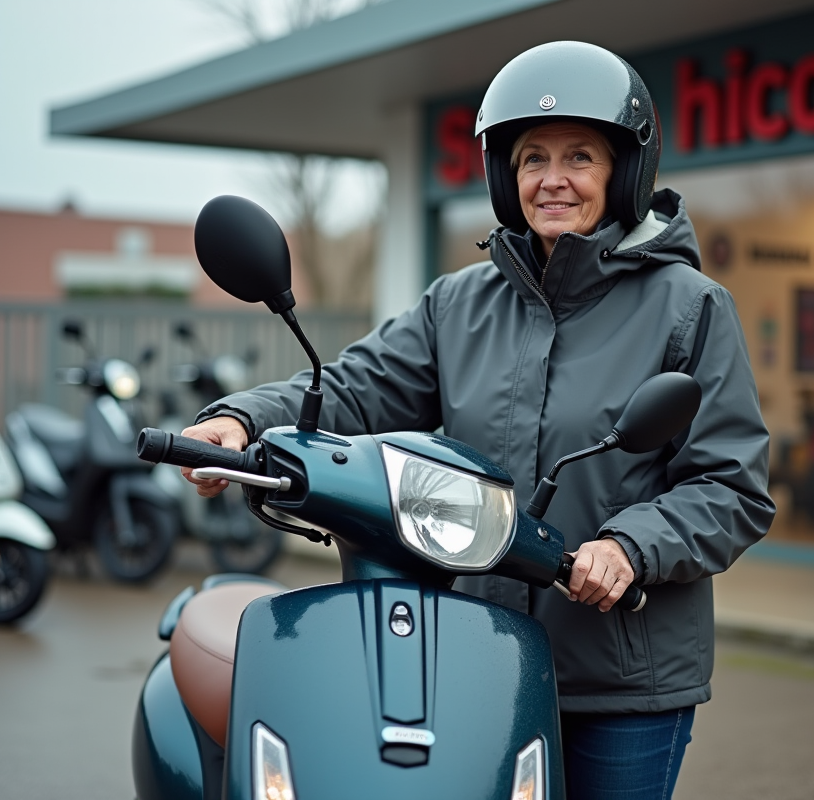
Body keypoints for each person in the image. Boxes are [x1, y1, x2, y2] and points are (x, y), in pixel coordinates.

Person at [181, 41, 774, 800]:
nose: (552, 179)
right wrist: (242, 419)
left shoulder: (689, 308)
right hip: (480, 661)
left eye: (580, 157)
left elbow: (732, 485)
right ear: (506, 175)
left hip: (620, 679)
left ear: (625, 171)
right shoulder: (458, 304)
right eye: (532, 158)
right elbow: (358, 388)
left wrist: (632, 546)